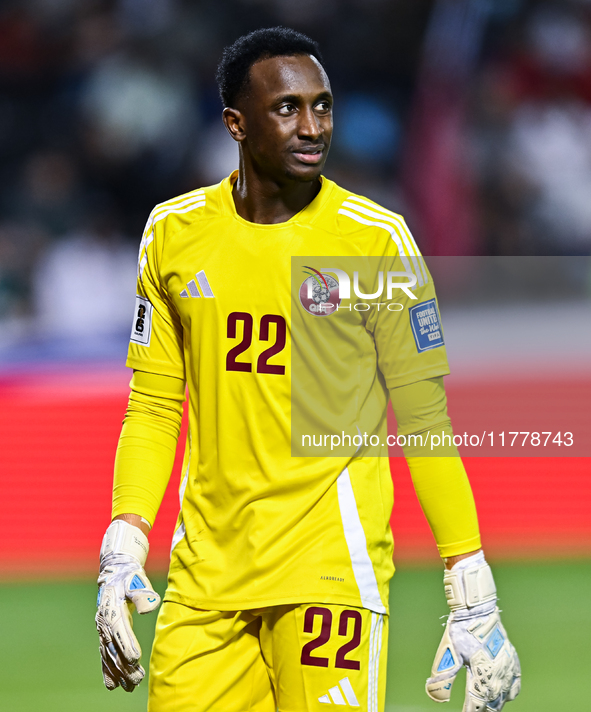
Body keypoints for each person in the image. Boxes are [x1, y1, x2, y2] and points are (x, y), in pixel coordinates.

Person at [95, 27, 521, 712]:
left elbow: (422, 417)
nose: (311, 125)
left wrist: (468, 579)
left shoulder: (374, 240)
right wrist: (125, 538)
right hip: (205, 579)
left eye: (321, 106)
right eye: (287, 108)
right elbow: (152, 403)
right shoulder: (172, 234)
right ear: (236, 123)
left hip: (329, 572)